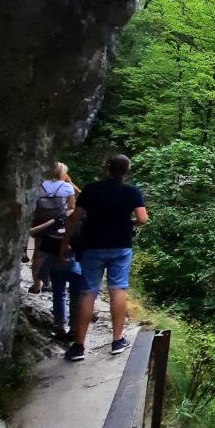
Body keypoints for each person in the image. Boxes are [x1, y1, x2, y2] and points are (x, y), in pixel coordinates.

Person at [62, 154, 148, 362]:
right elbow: (142, 219)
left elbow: (74, 217)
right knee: (118, 289)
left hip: (92, 245)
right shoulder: (131, 192)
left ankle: (78, 345)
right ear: (126, 170)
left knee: (87, 293)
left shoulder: (91, 189)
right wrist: (128, 224)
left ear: (107, 167)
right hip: (120, 245)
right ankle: (117, 341)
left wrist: (64, 243)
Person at [30, 215, 84, 340]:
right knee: (76, 297)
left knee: (59, 295)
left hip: (56, 267)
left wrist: (51, 221)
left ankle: (60, 327)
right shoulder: (82, 223)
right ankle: (74, 329)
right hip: (76, 267)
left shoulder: (56, 222)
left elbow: (32, 233)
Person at [27, 163, 76, 292]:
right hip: (58, 224)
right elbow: (71, 208)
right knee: (55, 253)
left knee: (38, 254)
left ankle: (36, 284)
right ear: (63, 173)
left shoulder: (40, 185)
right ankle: (49, 284)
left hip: (40, 223)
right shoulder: (67, 187)